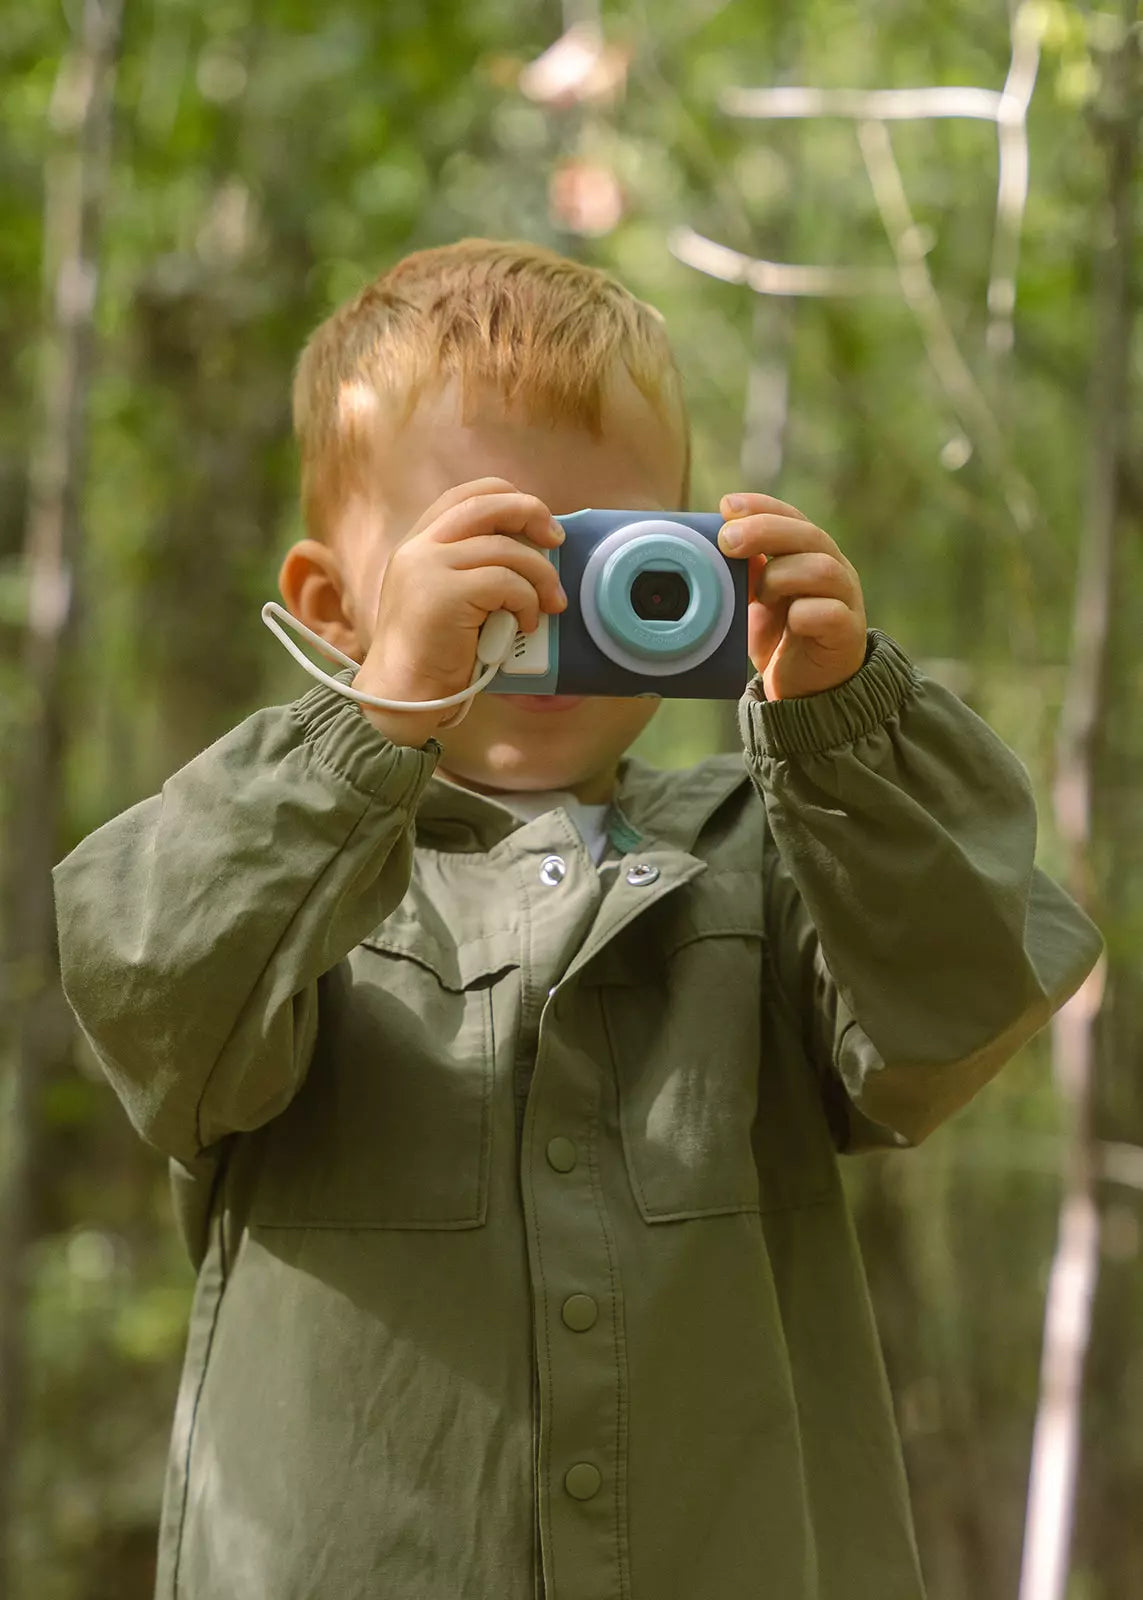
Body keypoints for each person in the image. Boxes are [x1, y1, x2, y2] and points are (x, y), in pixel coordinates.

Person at [52, 238, 1102, 1600]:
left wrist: (848, 728)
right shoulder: (282, 870)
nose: (545, 597)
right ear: (332, 602)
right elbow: (154, 988)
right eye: (488, 549)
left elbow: (946, 1020)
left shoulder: (781, 850)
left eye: (612, 551)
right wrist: (374, 728)